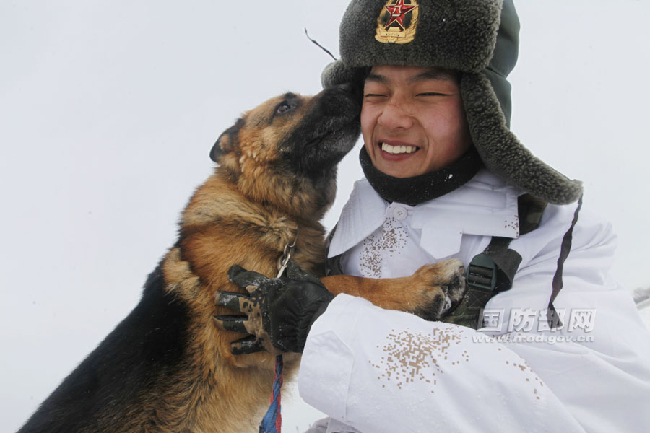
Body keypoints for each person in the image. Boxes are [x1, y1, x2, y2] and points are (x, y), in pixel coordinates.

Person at [221, 0, 650, 431]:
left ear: (480, 107)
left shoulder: (552, 241)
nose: (391, 118)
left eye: (427, 93)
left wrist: (327, 326)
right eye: (375, 94)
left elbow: (585, 417)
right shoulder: (351, 226)